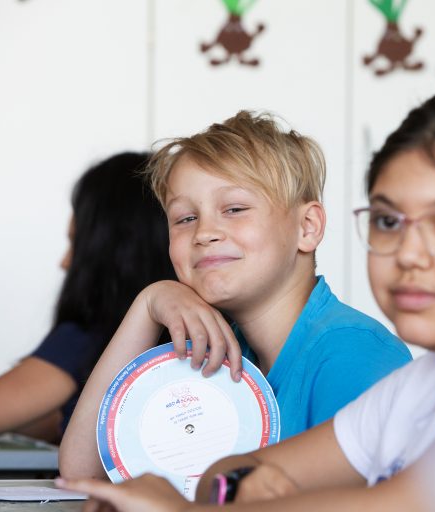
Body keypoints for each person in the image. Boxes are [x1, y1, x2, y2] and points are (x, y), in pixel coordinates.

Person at [58, 92, 435, 511]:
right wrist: (244, 488)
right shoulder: (422, 386)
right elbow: (230, 474)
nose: (409, 253)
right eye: (388, 221)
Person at [59, 111, 412, 479]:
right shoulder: (217, 352)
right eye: (185, 218)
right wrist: (149, 303)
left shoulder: (354, 353)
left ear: (307, 227)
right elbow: (83, 472)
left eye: (235, 209)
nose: (204, 233)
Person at [0, 152, 175, 444]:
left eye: (76, 243)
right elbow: (54, 420)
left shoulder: (86, 337)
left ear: (111, 250)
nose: (64, 262)